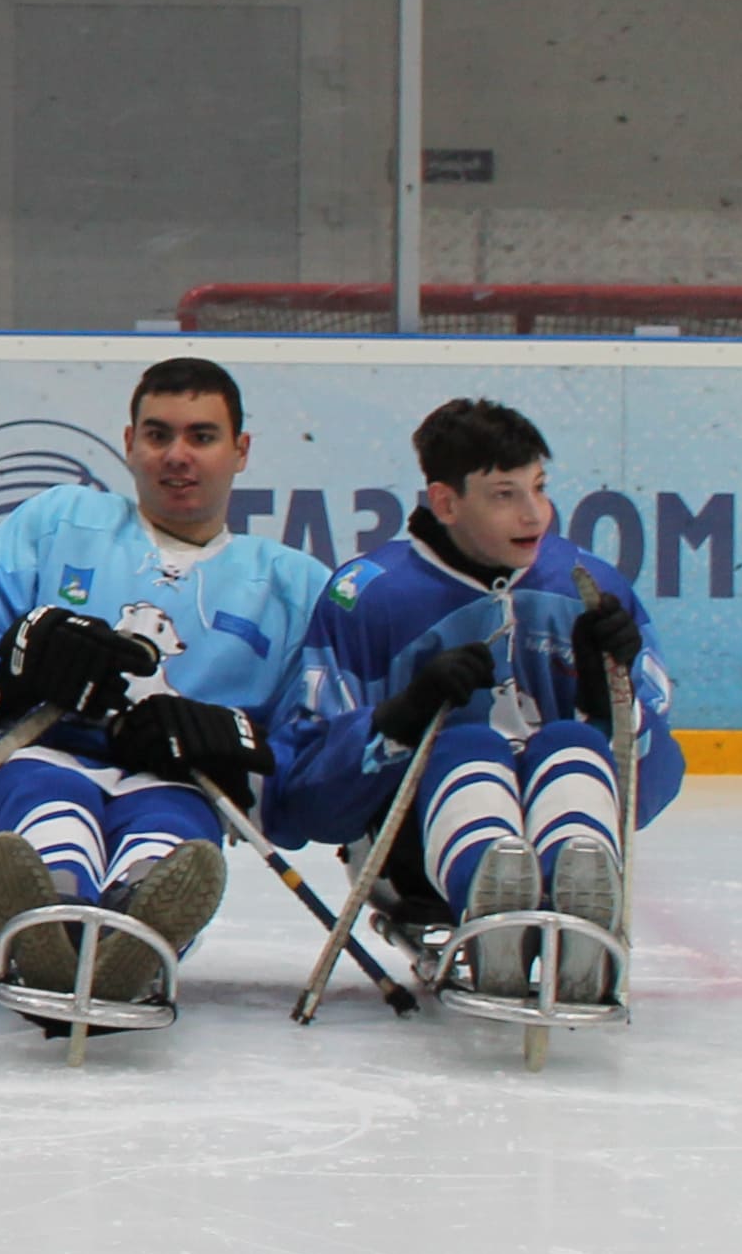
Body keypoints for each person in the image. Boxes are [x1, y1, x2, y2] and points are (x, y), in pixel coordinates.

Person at [0, 354, 331, 1007]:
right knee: (45, 807)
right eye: (158, 434)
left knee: (170, 831)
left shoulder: (294, 585)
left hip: (177, 785)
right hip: (41, 756)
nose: (177, 455)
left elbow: (310, 752)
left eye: (202, 436)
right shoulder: (56, 520)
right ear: (129, 443)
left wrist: (233, 740)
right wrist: (22, 659)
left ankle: (131, 930)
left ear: (241, 450)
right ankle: (58, 922)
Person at [271, 397, 677, 1004]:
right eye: (504, 494)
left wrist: (609, 698)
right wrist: (401, 716)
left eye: (539, 488)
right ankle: (490, 896)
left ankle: (579, 913)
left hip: (558, 814)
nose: (534, 513)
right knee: (467, 746)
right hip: (413, 858)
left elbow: (656, 785)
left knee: (573, 743)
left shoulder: (588, 588)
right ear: (446, 502)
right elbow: (301, 805)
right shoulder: (369, 597)